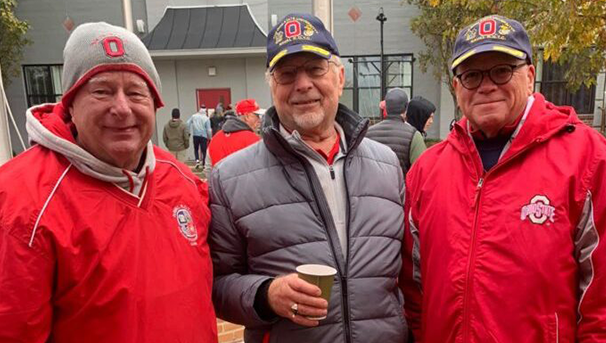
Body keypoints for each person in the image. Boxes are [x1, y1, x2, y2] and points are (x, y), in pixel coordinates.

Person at [0, 22, 218, 342]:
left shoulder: (184, 180)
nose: (121, 107)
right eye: (101, 91)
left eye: (135, 92)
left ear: (154, 104)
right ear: (70, 104)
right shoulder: (20, 201)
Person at [400, 15, 606, 342]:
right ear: (456, 87)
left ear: (530, 75)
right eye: (471, 75)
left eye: (501, 70)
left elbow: (600, 300)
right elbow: (414, 288)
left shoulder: (586, 157)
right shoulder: (427, 170)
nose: (486, 85)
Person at [208, 13, 408, 343]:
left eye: (316, 69)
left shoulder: (386, 165)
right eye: (287, 74)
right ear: (271, 86)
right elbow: (217, 283)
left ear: (340, 77)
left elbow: (411, 279)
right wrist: (266, 294)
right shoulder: (230, 178)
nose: (303, 84)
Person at [366, 88, 427, 176]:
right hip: (401, 188)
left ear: (386, 107)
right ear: (406, 107)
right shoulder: (413, 135)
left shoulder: (368, 133)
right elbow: (421, 171)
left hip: (372, 188)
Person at [205, 98, 261, 170]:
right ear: (247, 116)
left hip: (219, 180)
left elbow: (208, 169)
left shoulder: (215, 138)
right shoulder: (253, 140)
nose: (259, 120)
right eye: (257, 116)